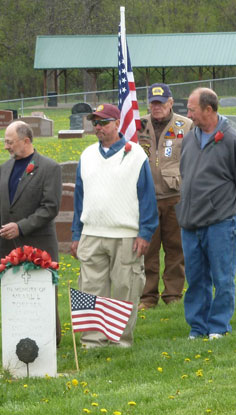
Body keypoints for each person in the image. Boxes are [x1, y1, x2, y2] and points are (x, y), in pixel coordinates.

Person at [71, 104, 158, 348]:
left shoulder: (136, 154)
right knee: (90, 289)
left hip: (126, 234)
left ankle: (120, 340)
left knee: (124, 288)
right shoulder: (87, 155)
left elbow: (147, 198)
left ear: (117, 123)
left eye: (104, 122)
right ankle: (92, 341)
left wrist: (145, 232)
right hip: (91, 233)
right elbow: (80, 198)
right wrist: (76, 234)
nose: (98, 127)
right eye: (94, 122)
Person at [176, 88, 236, 340]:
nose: (188, 114)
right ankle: (198, 327)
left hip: (221, 223)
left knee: (223, 278)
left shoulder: (231, 139)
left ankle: (218, 326)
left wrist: (232, 212)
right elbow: (185, 174)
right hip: (190, 222)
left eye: (192, 109)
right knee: (196, 279)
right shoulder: (189, 138)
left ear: (208, 109)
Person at [0, 120, 62, 344]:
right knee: (14, 296)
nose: (6, 147)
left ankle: (49, 340)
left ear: (26, 141)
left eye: (9, 142)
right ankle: (17, 338)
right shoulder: (5, 167)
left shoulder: (49, 168)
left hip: (39, 244)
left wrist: (20, 227)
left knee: (42, 295)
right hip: (7, 245)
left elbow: (50, 208)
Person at [137, 83, 192, 310]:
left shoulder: (185, 125)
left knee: (175, 248)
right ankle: (148, 297)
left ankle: (173, 295)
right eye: (152, 103)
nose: (156, 107)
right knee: (147, 249)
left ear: (170, 103)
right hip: (146, 198)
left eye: (161, 103)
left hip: (175, 196)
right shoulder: (137, 124)